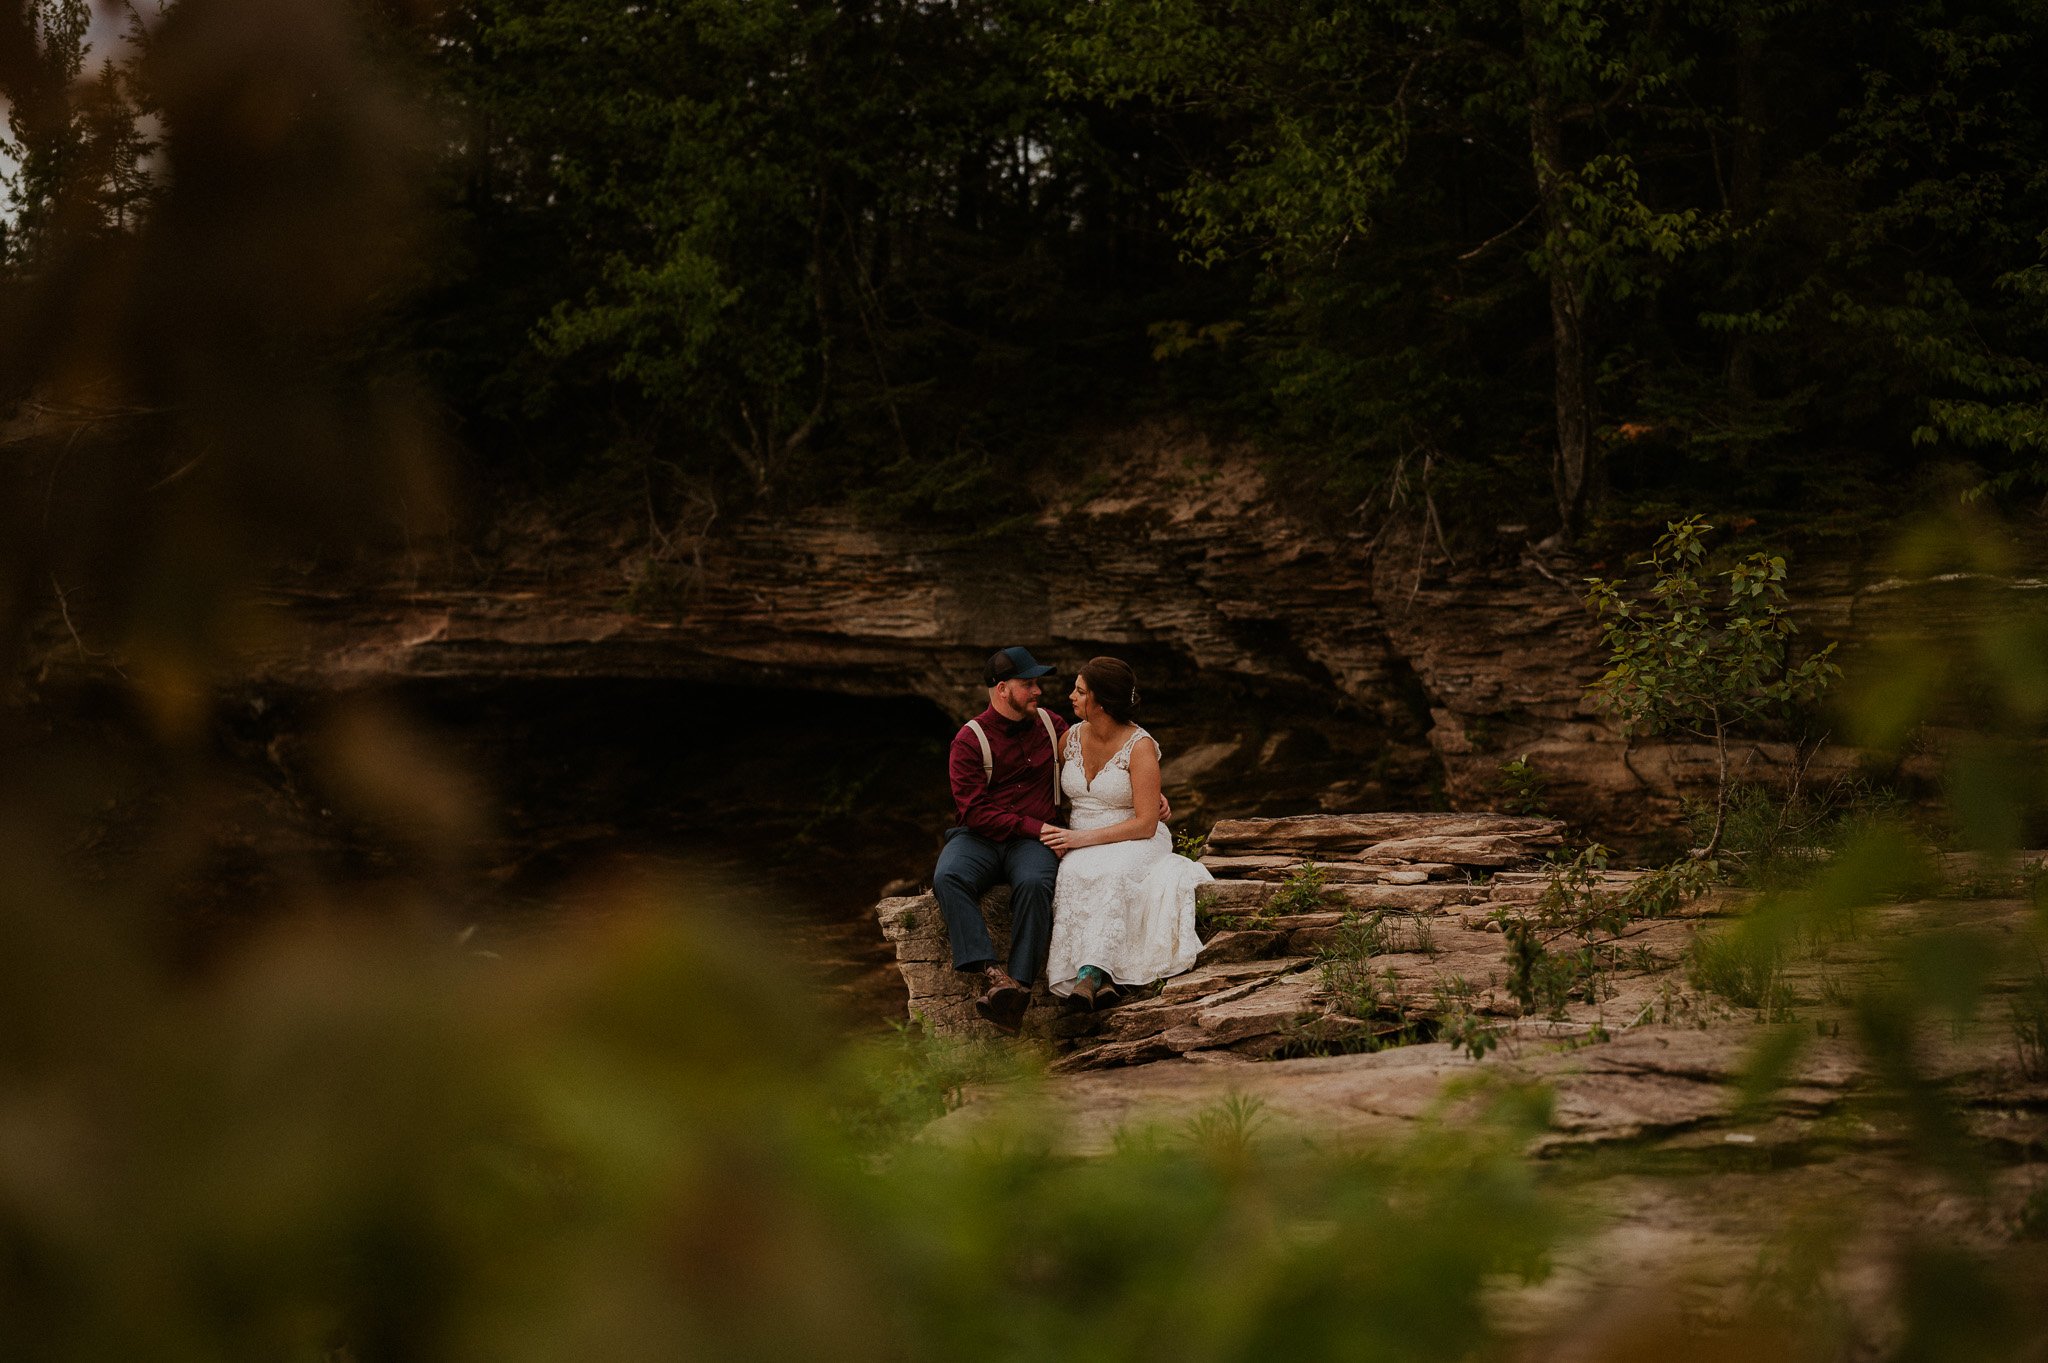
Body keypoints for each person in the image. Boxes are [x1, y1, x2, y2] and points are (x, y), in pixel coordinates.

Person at [1040, 657, 1211, 1010]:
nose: (1071, 696)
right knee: (1072, 873)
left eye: (1080, 691)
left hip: (1136, 838)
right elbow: (1045, 794)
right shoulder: (1068, 738)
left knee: (1115, 874)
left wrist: (1077, 840)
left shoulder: (1140, 745)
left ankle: (1090, 975)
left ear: (1100, 703)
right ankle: (1106, 979)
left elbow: (1147, 822)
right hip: (1082, 837)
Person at [933, 646, 1070, 1035]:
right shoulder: (968, 740)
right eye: (1027, 684)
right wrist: (1035, 827)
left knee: (1033, 883)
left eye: (1037, 683)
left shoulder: (1052, 724)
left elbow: (1098, 751)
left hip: (1029, 842)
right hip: (980, 837)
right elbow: (974, 811)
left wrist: (1143, 787)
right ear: (1001, 689)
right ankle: (993, 975)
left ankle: (1020, 986)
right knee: (949, 877)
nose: (1037, 691)